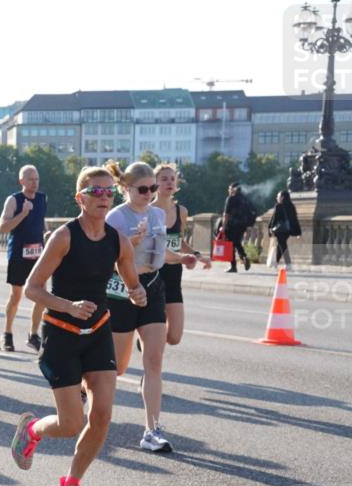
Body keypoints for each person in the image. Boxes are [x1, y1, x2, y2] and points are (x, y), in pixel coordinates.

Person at [10, 163, 145, 486]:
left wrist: (138, 294)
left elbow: (132, 281)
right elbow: (33, 289)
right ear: (80, 198)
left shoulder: (117, 240)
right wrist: (68, 306)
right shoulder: (65, 237)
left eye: (108, 192)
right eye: (95, 192)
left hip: (98, 332)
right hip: (63, 335)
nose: (103, 197)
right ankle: (33, 430)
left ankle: (71, 485)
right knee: (71, 424)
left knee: (102, 414)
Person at [105, 162, 197, 453]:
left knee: (154, 361)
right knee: (118, 367)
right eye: (143, 189)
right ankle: (86, 386)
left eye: (152, 188)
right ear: (125, 189)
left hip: (154, 287)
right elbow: (105, 257)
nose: (149, 194)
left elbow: (161, 250)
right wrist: (129, 244)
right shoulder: (115, 217)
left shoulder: (157, 214)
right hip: (122, 290)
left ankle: (152, 430)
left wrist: (181, 258)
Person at [152, 164, 211, 346]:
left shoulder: (181, 212)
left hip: (174, 277)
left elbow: (179, 242)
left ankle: (146, 341)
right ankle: (149, 352)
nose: (169, 182)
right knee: (156, 335)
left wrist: (196, 254)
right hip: (152, 276)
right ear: (154, 184)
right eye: (164, 179)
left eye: (172, 178)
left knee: (174, 338)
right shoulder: (148, 211)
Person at [0, 165, 47, 352]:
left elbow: (41, 221)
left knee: (41, 295)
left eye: (36, 179)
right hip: (18, 254)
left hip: (38, 254)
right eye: (30, 179)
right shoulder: (14, 200)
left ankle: (34, 334)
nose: (34, 182)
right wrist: (23, 213)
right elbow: (2, 227)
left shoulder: (42, 199)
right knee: (16, 296)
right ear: (21, 181)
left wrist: (47, 234)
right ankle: (7, 333)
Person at [219, 182, 252, 273]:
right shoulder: (244, 200)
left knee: (231, 246)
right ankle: (244, 257)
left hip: (232, 225)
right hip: (242, 225)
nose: (228, 190)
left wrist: (223, 226)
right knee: (237, 242)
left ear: (234, 189)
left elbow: (226, 214)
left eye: (230, 188)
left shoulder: (230, 198)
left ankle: (233, 267)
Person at [269, 190, 302, 269]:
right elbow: (295, 219)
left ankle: (288, 264)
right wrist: (298, 232)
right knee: (281, 245)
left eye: (278, 196)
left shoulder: (278, 206)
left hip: (279, 229)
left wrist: (270, 228)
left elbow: (274, 219)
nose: (277, 198)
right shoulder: (291, 206)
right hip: (288, 229)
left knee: (282, 246)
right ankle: (275, 263)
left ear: (282, 197)